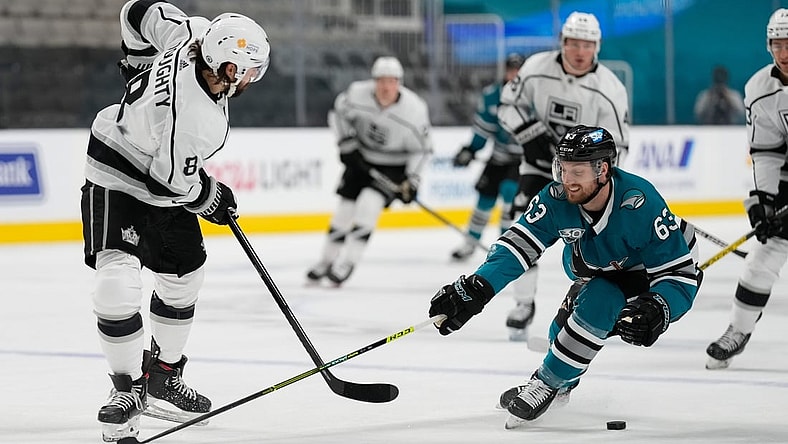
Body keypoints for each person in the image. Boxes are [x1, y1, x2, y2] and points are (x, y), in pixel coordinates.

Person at [80, 1, 270, 441]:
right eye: (248, 71)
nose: (250, 81)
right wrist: (210, 196)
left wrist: (138, 62)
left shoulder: (191, 33)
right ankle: (127, 391)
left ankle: (163, 376)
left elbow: (135, 11)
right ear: (226, 67)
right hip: (116, 175)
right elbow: (170, 184)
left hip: (159, 168)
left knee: (184, 274)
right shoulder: (196, 119)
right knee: (117, 283)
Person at [428, 125, 702, 428]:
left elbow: (680, 275)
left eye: (578, 173)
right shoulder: (556, 197)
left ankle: (546, 383)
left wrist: (660, 307)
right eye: (564, 169)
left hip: (650, 274)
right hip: (599, 267)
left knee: (599, 301)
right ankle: (562, 385)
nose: (568, 181)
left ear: (603, 170)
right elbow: (518, 245)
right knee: (561, 330)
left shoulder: (640, 203)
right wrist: (478, 287)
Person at [496, 11, 630, 342]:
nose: (579, 51)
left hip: (584, 180)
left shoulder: (609, 89)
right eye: (573, 43)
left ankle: (589, 305)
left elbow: (618, 146)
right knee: (520, 224)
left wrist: (598, 178)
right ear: (563, 42)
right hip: (539, 166)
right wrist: (528, 132)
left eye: (587, 44)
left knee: (591, 245)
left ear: (596, 47)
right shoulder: (536, 68)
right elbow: (506, 105)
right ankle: (523, 302)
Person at [706, 8, 788, 370]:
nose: (784, 52)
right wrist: (764, 202)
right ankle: (738, 330)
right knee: (760, 260)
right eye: (777, 44)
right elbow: (768, 152)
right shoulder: (760, 88)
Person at [305, 56, 433, 286]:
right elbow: (337, 114)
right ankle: (326, 261)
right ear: (374, 81)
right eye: (381, 81)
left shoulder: (414, 110)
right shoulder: (356, 94)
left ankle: (348, 262)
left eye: (392, 81)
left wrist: (412, 181)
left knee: (368, 206)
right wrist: (346, 144)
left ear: (399, 83)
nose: (386, 87)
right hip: (361, 159)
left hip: (394, 166)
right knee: (343, 212)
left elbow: (423, 150)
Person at [450, 53, 525, 262]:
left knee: (510, 192)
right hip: (499, 157)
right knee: (485, 197)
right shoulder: (493, 95)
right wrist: (471, 150)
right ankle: (470, 242)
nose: (514, 75)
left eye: (518, 70)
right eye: (511, 70)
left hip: (525, 159)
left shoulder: (534, 94)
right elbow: (483, 131)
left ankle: (508, 245)